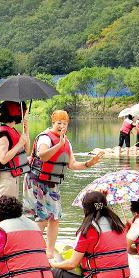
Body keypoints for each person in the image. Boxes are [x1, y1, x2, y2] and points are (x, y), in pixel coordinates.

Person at [23, 110, 104, 258]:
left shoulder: (66, 141)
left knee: (55, 217)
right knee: (42, 218)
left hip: (52, 183)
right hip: (37, 181)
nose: (62, 126)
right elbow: (43, 155)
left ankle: (50, 252)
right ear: (53, 123)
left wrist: (89, 163)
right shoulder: (45, 138)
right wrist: (59, 144)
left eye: (65, 123)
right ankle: (32, 250)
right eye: (59, 122)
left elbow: (72, 164)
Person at [49, 192, 129, 278]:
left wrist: (53, 264)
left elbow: (72, 263)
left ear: (86, 209)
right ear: (105, 205)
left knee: (55, 274)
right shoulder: (119, 225)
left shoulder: (89, 230)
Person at [0, 100, 30, 198]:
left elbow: (27, 151)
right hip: (5, 177)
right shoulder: (3, 133)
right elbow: (3, 159)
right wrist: (19, 143)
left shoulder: (12, 130)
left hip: (13, 176)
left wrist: (26, 130)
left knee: (12, 209)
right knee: (5, 210)